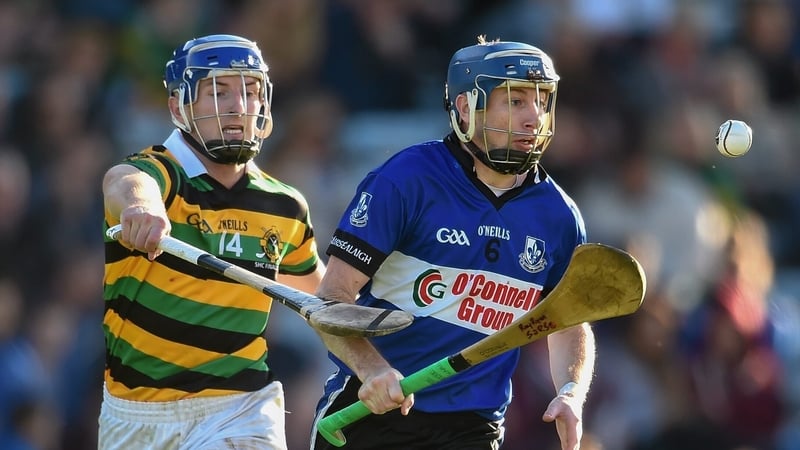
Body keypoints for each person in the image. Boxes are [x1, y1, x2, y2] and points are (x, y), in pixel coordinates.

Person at [310, 36, 596, 450]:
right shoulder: (407, 180)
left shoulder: (559, 217)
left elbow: (567, 324)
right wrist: (372, 370)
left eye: (541, 101)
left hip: (473, 427)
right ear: (466, 108)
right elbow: (331, 298)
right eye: (515, 102)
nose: (534, 118)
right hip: (369, 412)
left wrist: (572, 391)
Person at [100, 34, 325, 450]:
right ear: (178, 106)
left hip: (240, 408)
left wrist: (379, 368)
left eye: (251, 91)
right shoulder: (159, 175)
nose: (239, 106)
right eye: (217, 91)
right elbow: (124, 181)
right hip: (135, 415)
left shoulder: (285, 205)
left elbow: (326, 305)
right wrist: (141, 209)